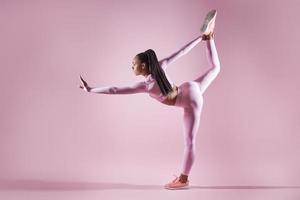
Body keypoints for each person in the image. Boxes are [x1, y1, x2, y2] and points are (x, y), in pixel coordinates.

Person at [79, 9, 220, 190]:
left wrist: (90, 89)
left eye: (133, 64)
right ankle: (209, 37)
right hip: (189, 87)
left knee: (190, 142)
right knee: (215, 68)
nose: (131, 67)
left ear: (143, 66)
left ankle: (183, 180)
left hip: (191, 100)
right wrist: (200, 38)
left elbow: (115, 90)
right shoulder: (160, 66)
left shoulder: (145, 86)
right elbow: (182, 51)